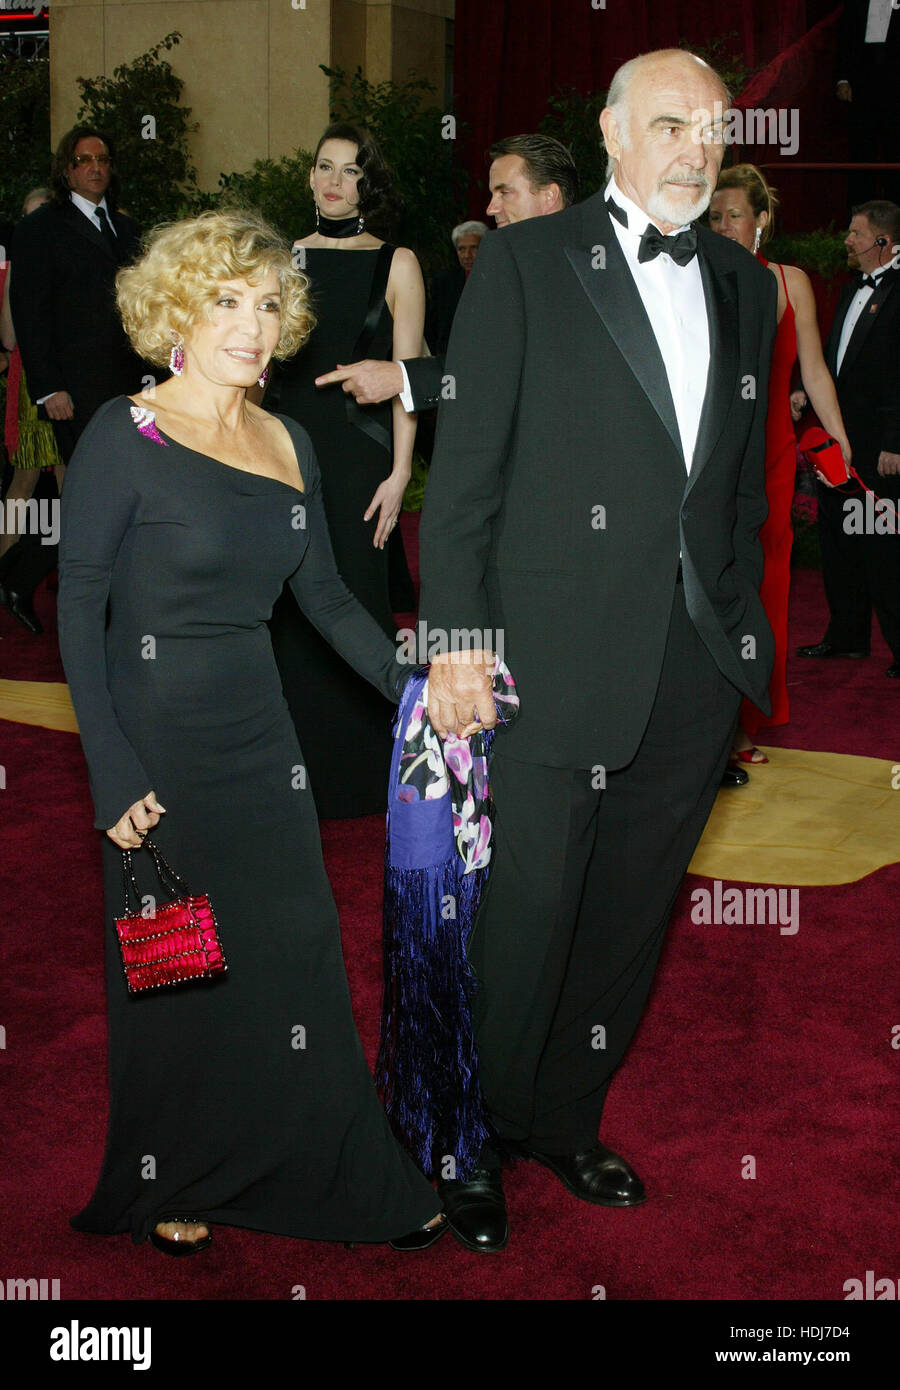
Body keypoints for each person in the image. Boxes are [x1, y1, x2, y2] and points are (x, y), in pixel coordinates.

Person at [416, 48, 778, 1253]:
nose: (696, 147)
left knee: (627, 919)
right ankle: (467, 1138)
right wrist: (457, 645)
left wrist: (741, 636)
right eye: (671, 123)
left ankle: (565, 1116)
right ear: (616, 135)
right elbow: (464, 478)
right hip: (545, 655)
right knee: (522, 909)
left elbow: (734, 489)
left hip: (691, 665)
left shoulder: (747, 281)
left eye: (714, 128)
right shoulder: (523, 261)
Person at [57, 209, 444, 1256]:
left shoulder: (285, 439)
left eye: (269, 303)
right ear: (176, 309)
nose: (252, 323)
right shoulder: (122, 434)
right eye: (227, 300)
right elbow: (77, 606)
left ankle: (329, 1164)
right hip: (157, 751)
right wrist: (111, 768)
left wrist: (421, 692)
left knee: (293, 957)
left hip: (262, 745)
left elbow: (326, 600)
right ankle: (174, 1175)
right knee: (180, 974)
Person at [264, 123, 425, 818]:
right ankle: (292, 768)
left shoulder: (398, 263)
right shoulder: (276, 259)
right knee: (283, 605)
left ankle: (360, 774)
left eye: (350, 171)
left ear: (368, 183)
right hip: (277, 447)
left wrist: (400, 473)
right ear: (309, 178)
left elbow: (409, 378)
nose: (334, 181)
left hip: (358, 458)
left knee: (351, 599)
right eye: (324, 167)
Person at [709, 165, 852, 765]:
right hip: (711, 454)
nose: (721, 225)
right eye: (713, 216)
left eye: (734, 214)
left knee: (764, 584)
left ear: (761, 219)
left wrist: (838, 441)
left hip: (768, 455)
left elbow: (814, 370)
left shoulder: (790, 283)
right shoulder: (697, 277)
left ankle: (745, 716)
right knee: (713, 586)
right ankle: (713, 726)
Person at [317, 134, 579, 412]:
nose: (491, 208)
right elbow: (480, 365)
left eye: (505, 192)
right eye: (492, 194)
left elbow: (519, 374)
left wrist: (402, 377)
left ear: (550, 196)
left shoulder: (585, 276)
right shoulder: (511, 269)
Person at [1, 129, 145, 634]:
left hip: (126, 389)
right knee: (94, 497)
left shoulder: (127, 230)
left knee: (107, 496)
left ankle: (20, 575)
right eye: (84, 160)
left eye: (103, 159)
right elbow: (30, 313)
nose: (95, 168)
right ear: (67, 169)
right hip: (71, 393)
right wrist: (47, 388)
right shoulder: (41, 228)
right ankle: (89, 607)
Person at [797, 200, 900, 676]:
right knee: (838, 539)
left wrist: (895, 443)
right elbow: (827, 356)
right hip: (836, 442)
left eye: (855, 234)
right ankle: (847, 638)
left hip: (881, 447)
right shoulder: (849, 289)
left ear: (882, 242)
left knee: (883, 547)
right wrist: (801, 387)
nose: (847, 242)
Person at [0, 190, 63, 571]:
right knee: (24, 482)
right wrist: (12, 288)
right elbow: (9, 339)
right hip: (29, 385)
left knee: (69, 483)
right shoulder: (16, 269)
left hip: (69, 382)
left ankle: (64, 574)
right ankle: (8, 575)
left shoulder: (69, 264)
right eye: (28, 218)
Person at [835, 0, 900, 207]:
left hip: (896, 87)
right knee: (861, 151)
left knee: (895, 149)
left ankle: (895, 214)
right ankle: (860, 215)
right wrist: (843, 79)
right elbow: (845, 38)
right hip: (862, 86)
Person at [425, 220, 489, 357]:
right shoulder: (444, 282)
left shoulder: (499, 279)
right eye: (461, 249)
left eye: (474, 248)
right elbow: (433, 327)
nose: (467, 255)